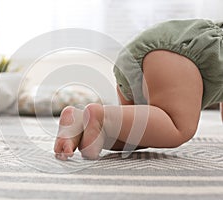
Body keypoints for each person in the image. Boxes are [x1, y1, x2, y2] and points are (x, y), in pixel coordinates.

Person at [54, 19, 223, 161]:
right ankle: (101, 118)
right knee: (177, 127)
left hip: (141, 52)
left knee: (138, 135)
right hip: (178, 53)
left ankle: (80, 123)